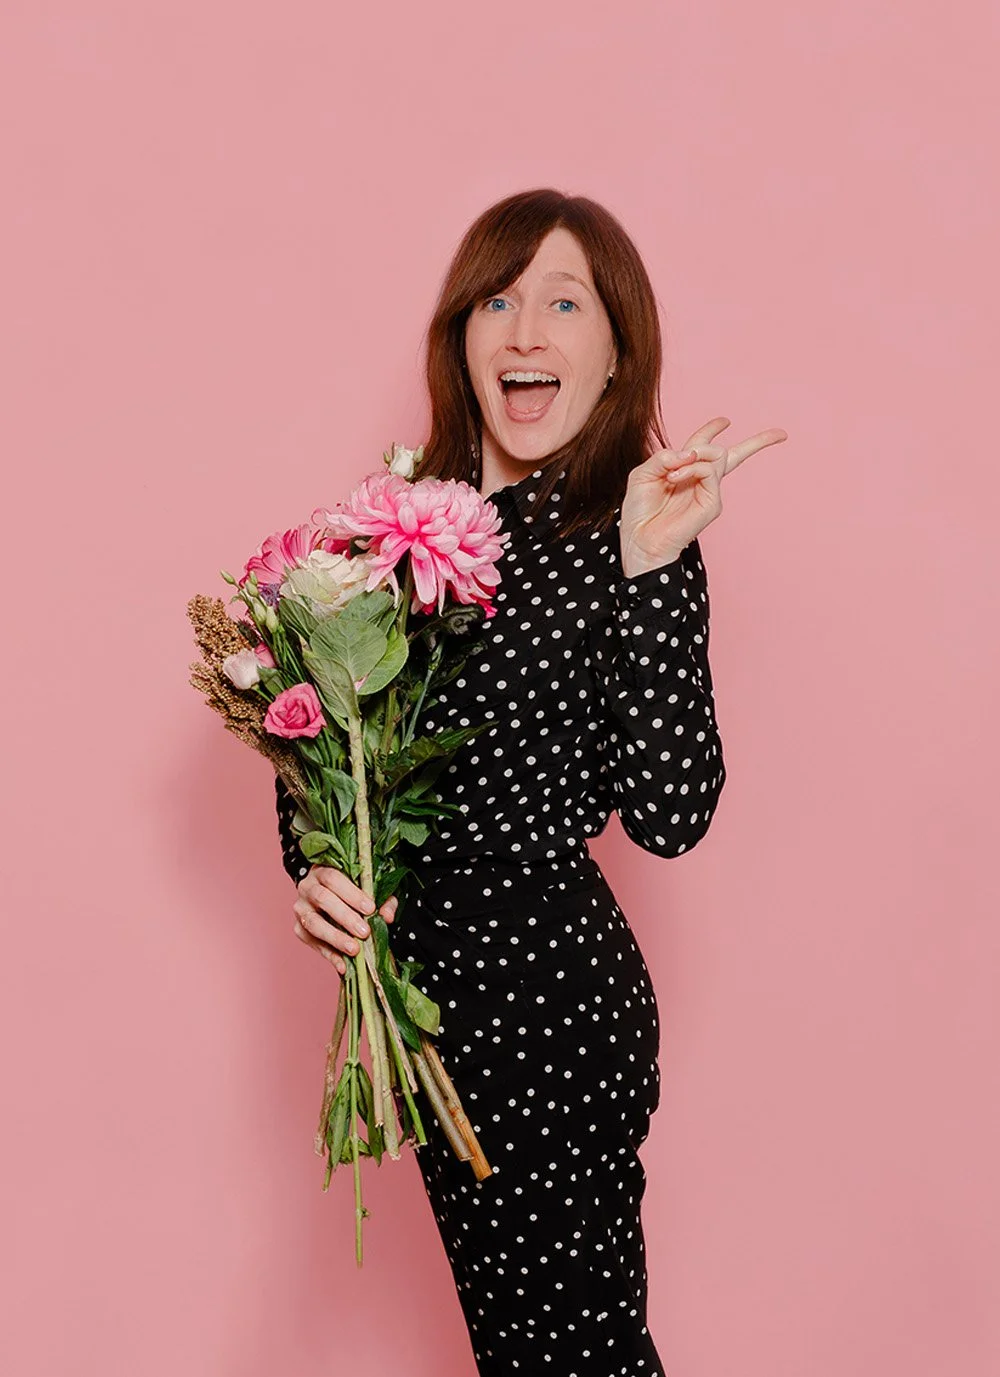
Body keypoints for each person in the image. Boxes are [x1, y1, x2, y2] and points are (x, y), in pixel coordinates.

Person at [275, 188, 787, 1376]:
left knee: (576, 1355)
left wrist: (650, 570)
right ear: (461, 336)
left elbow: (669, 813)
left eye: (564, 305)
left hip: (545, 1002)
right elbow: (327, 766)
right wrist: (317, 878)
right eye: (498, 301)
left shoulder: (627, 531)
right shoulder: (397, 546)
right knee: (528, 1357)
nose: (524, 331)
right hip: (429, 1010)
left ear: (615, 355)